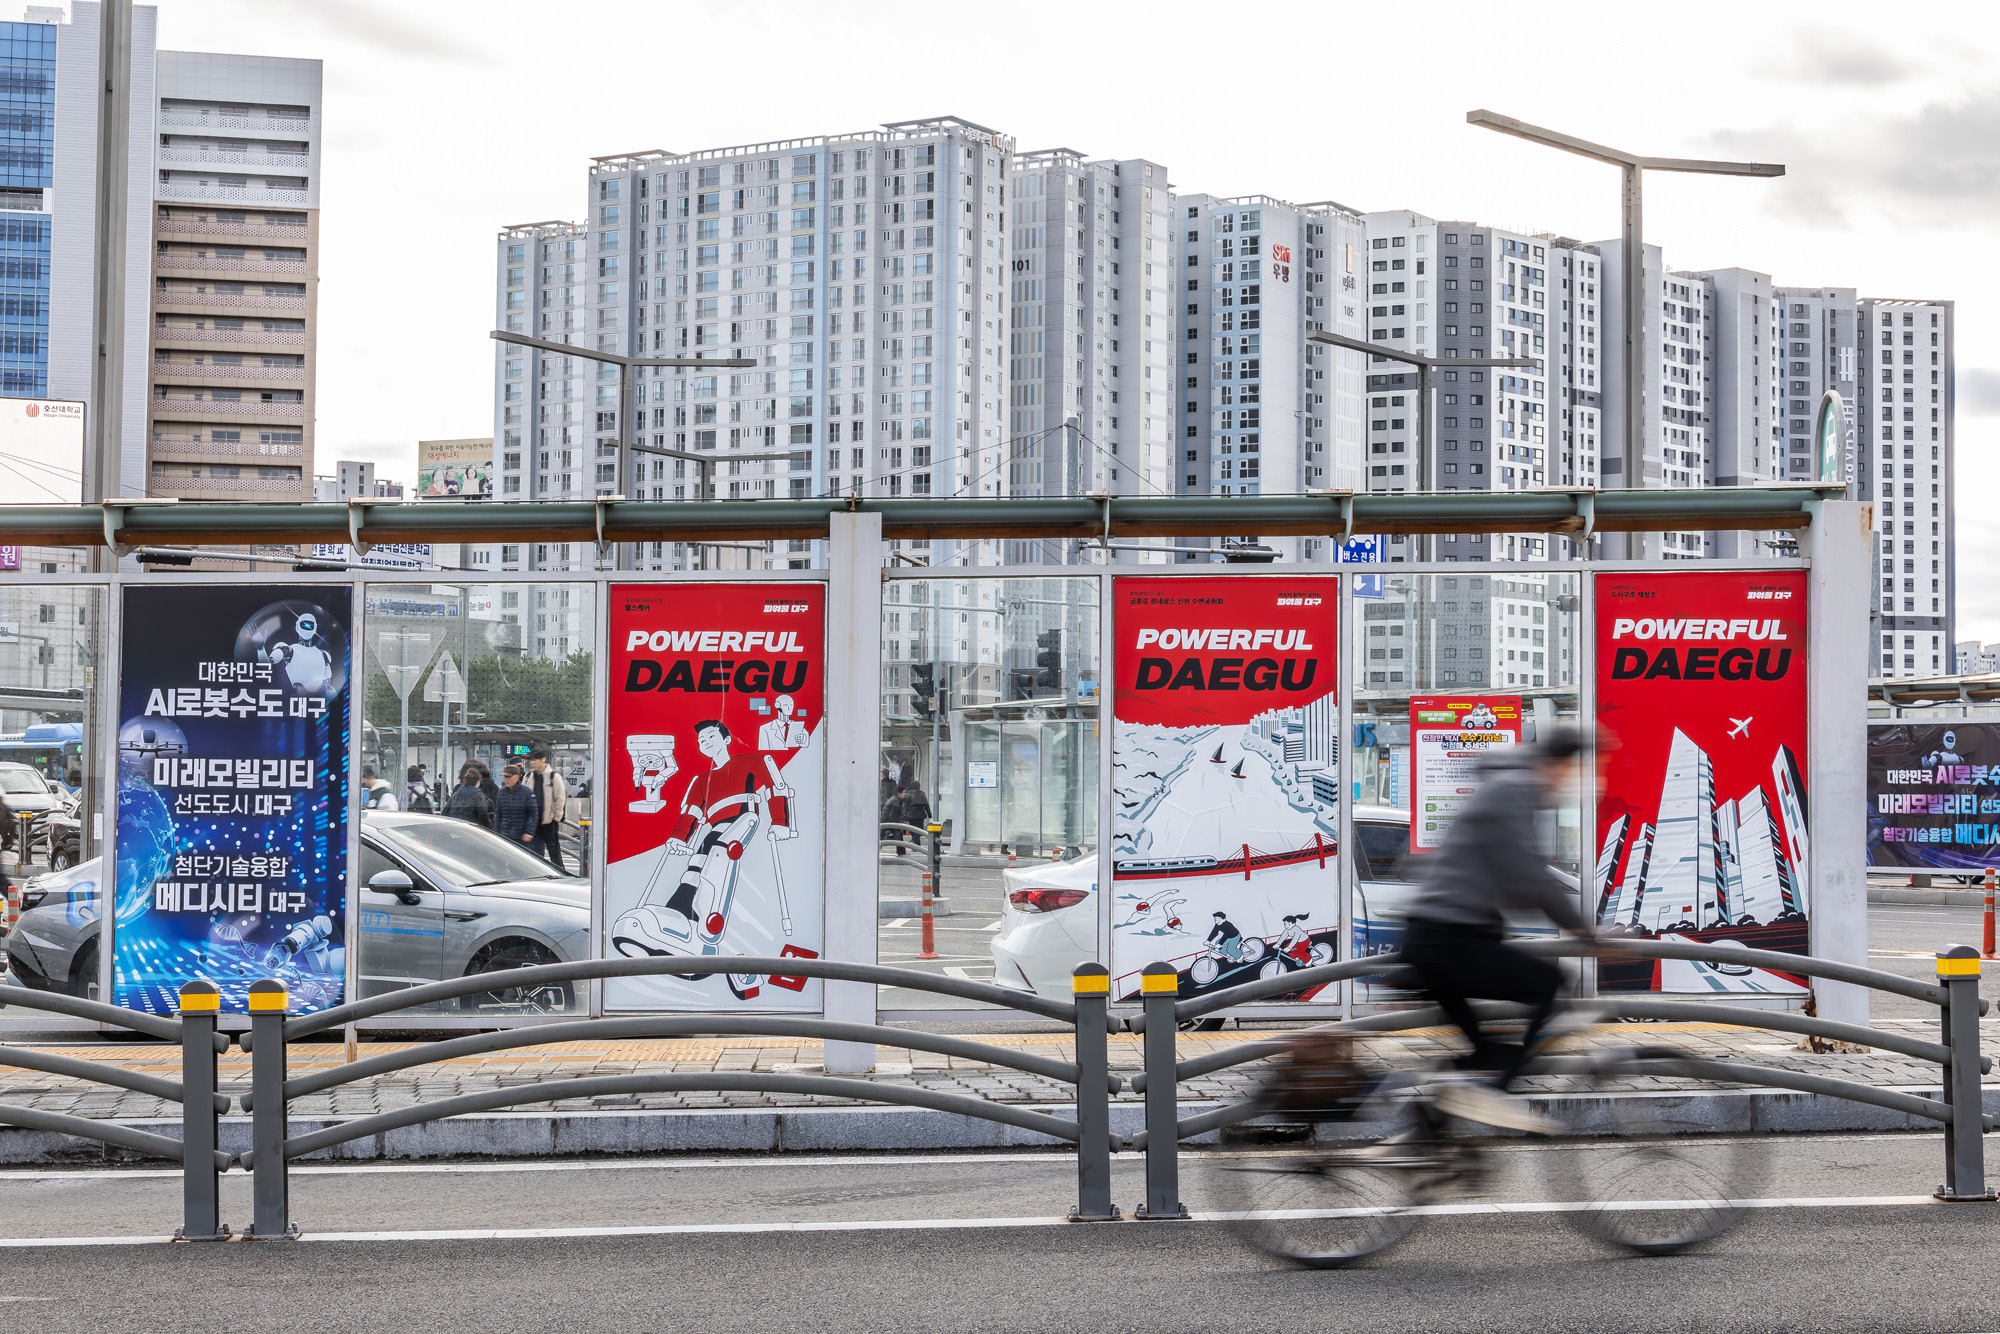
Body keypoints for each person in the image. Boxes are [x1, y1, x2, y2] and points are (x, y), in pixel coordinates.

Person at [1400, 727, 1592, 1132]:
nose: (1570, 785)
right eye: (1573, 773)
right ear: (1560, 765)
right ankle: (1495, 1097)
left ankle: (1431, 1125)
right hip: (1449, 938)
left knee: (1489, 1052)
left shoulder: (1508, 788)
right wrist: (1586, 934)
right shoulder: (1513, 790)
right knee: (1551, 983)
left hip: (1440, 937)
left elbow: (1516, 882)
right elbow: (1528, 879)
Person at [527, 748, 570, 874]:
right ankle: (538, 873)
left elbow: (560, 798)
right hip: (533, 820)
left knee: (553, 850)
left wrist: (556, 817)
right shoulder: (528, 776)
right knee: (535, 850)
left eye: (535, 760)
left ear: (543, 759)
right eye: (531, 760)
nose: (532, 763)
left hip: (549, 821)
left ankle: (560, 872)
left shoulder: (553, 776)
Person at [494, 764, 540, 846]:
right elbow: (499, 814)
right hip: (505, 835)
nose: (506, 780)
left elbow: (533, 814)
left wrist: (529, 832)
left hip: (522, 836)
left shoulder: (527, 792)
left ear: (517, 777)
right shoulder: (501, 793)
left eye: (509, 777)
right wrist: (496, 832)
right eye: (505, 777)